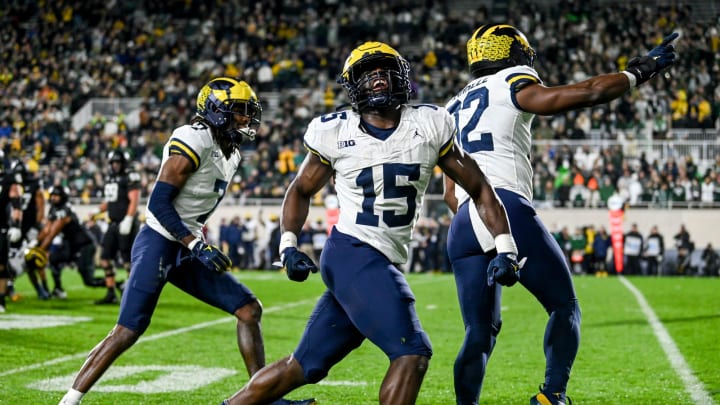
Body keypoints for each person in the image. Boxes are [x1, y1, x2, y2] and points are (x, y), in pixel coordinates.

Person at [222, 41, 518, 405]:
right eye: (367, 73)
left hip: (377, 260)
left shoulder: (429, 124)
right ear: (353, 86)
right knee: (412, 353)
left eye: (384, 69)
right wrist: (288, 245)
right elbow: (300, 190)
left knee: (304, 366)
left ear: (402, 78)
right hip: (354, 252)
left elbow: (480, 188)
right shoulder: (335, 132)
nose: (377, 77)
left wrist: (506, 247)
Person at [443, 24, 678, 404]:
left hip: (464, 219)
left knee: (479, 332)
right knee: (564, 306)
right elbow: (586, 93)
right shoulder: (510, 81)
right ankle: (551, 395)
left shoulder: (452, 105)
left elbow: (448, 191)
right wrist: (638, 72)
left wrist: (480, 226)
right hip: (505, 205)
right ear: (511, 53)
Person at [59, 77, 314, 405]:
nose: (246, 120)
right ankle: (70, 399)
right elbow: (158, 203)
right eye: (238, 112)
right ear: (216, 111)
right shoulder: (193, 138)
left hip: (187, 244)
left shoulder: (231, 153)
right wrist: (195, 243)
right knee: (128, 329)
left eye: (249, 113)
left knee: (249, 310)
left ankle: (260, 397)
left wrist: (195, 242)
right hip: (160, 240)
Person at [24, 185, 106, 298]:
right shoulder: (54, 209)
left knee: (89, 281)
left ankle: (116, 285)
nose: (53, 198)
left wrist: (40, 249)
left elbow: (53, 233)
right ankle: (58, 289)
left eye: (56, 195)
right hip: (71, 244)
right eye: (52, 195)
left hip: (84, 244)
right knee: (54, 259)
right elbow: (46, 229)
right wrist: (35, 242)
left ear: (62, 197)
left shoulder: (65, 209)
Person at [90, 149, 142, 304]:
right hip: (112, 224)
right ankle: (111, 292)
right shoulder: (111, 178)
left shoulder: (130, 176)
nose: (115, 165)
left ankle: (135, 295)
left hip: (126, 223)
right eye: (113, 162)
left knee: (128, 261)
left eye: (118, 162)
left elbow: (134, 200)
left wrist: (128, 218)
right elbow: (112, 201)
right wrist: (98, 210)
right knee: (105, 259)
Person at [0, 153, 24, 312]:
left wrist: (16, 224)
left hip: (1, 227)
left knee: (1, 266)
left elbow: (16, 204)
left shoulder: (7, 179)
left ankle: (1, 300)